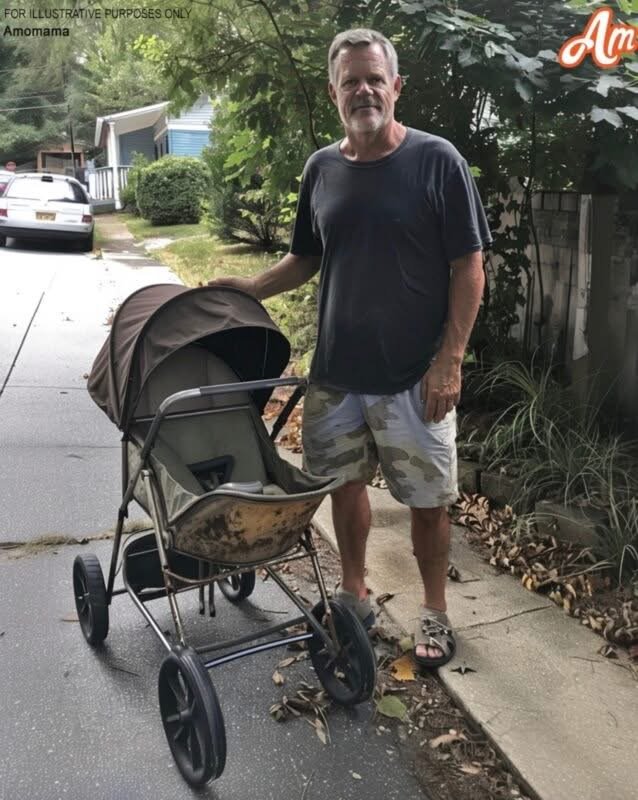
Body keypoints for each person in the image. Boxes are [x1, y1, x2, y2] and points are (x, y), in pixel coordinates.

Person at [209, 28, 491, 668]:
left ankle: (435, 611)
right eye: (350, 81)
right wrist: (250, 287)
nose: (363, 90)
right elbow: (306, 257)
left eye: (374, 79)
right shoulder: (322, 168)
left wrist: (450, 360)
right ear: (333, 92)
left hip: (414, 376)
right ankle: (354, 592)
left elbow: (469, 266)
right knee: (343, 486)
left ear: (396, 87)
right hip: (336, 374)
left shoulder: (437, 160)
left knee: (428, 502)